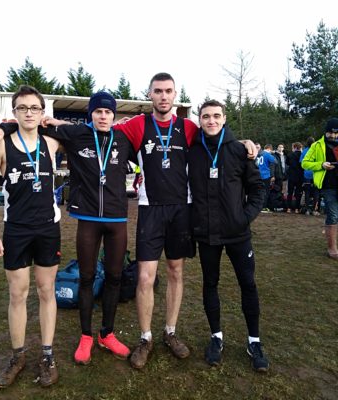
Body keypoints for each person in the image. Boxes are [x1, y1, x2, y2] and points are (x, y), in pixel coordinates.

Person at [114, 72, 258, 369]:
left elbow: (217, 137)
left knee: (176, 271)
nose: (163, 96)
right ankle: (145, 337)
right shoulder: (138, 124)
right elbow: (100, 127)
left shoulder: (189, 127)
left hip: (182, 210)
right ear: (150, 94)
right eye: (158, 91)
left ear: (175, 95)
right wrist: (49, 124)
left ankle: (170, 332)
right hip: (151, 209)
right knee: (145, 277)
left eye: (168, 91)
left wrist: (244, 142)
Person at [0, 92, 132, 365]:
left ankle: (107, 334)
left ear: (114, 115)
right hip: (87, 218)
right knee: (86, 278)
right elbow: (31, 125)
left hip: (117, 219)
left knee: (115, 277)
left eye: (108, 112)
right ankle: (86, 337)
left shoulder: (124, 138)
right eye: (98, 111)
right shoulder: (76, 135)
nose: (103, 116)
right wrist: (2, 127)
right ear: (90, 114)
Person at [0, 85, 61, 388]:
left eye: (34, 108)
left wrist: (53, 122)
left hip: (48, 227)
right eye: (22, 108)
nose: (29, 113)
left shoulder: (51, 142)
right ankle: (18, 356)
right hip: (16, 228)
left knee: (46, 290)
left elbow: (80, 132)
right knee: (18, 293)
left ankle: (48, 356)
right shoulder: (1, 145)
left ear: (42, 112)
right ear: (14, 112)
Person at [188, 99, 269, 372]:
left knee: (248, 284)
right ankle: (216, 337)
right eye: (206, 116)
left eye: (216, 116)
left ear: (224, 119)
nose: (211, 121)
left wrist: (243, 218)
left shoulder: (239, 150)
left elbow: (257, 189)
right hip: (207, 234)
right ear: (199, 120)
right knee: (210, 283)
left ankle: (254, 341)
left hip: (237, 234)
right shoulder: (192, 151)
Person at [302, 118, 338, 259]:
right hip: (328, 185)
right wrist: (321, 165)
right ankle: (332, 247)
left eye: (336, 133)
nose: (333, 136)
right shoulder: (317, 145)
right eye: (331, 133)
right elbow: (305, 163)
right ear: (326, 132)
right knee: (333, 215)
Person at [300, 137, 320, 215]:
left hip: (307, 174)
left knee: (307, 192)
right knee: (316, 192)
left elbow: (301, 162)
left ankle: (307, 209)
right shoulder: (317, 150)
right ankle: (315, 210)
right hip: (316, 174)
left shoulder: (304, 151)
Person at [257, 144, 276, 212]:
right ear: (269, 149)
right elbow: (275, 161)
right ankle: (263, 207)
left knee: (258, 191)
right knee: (265, 191)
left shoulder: (258, 154)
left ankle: (257, 206)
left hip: (257, 175)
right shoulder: (267, 154)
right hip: (265, 175)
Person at [286, 142, 304, 214]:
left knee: (290, 192)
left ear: (295, 147)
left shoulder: (290, 155)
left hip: (291, 176)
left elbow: (287, 163)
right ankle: (297, 208)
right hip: (300, 176)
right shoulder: (303, 155)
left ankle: (289, 208)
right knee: (298, 193)